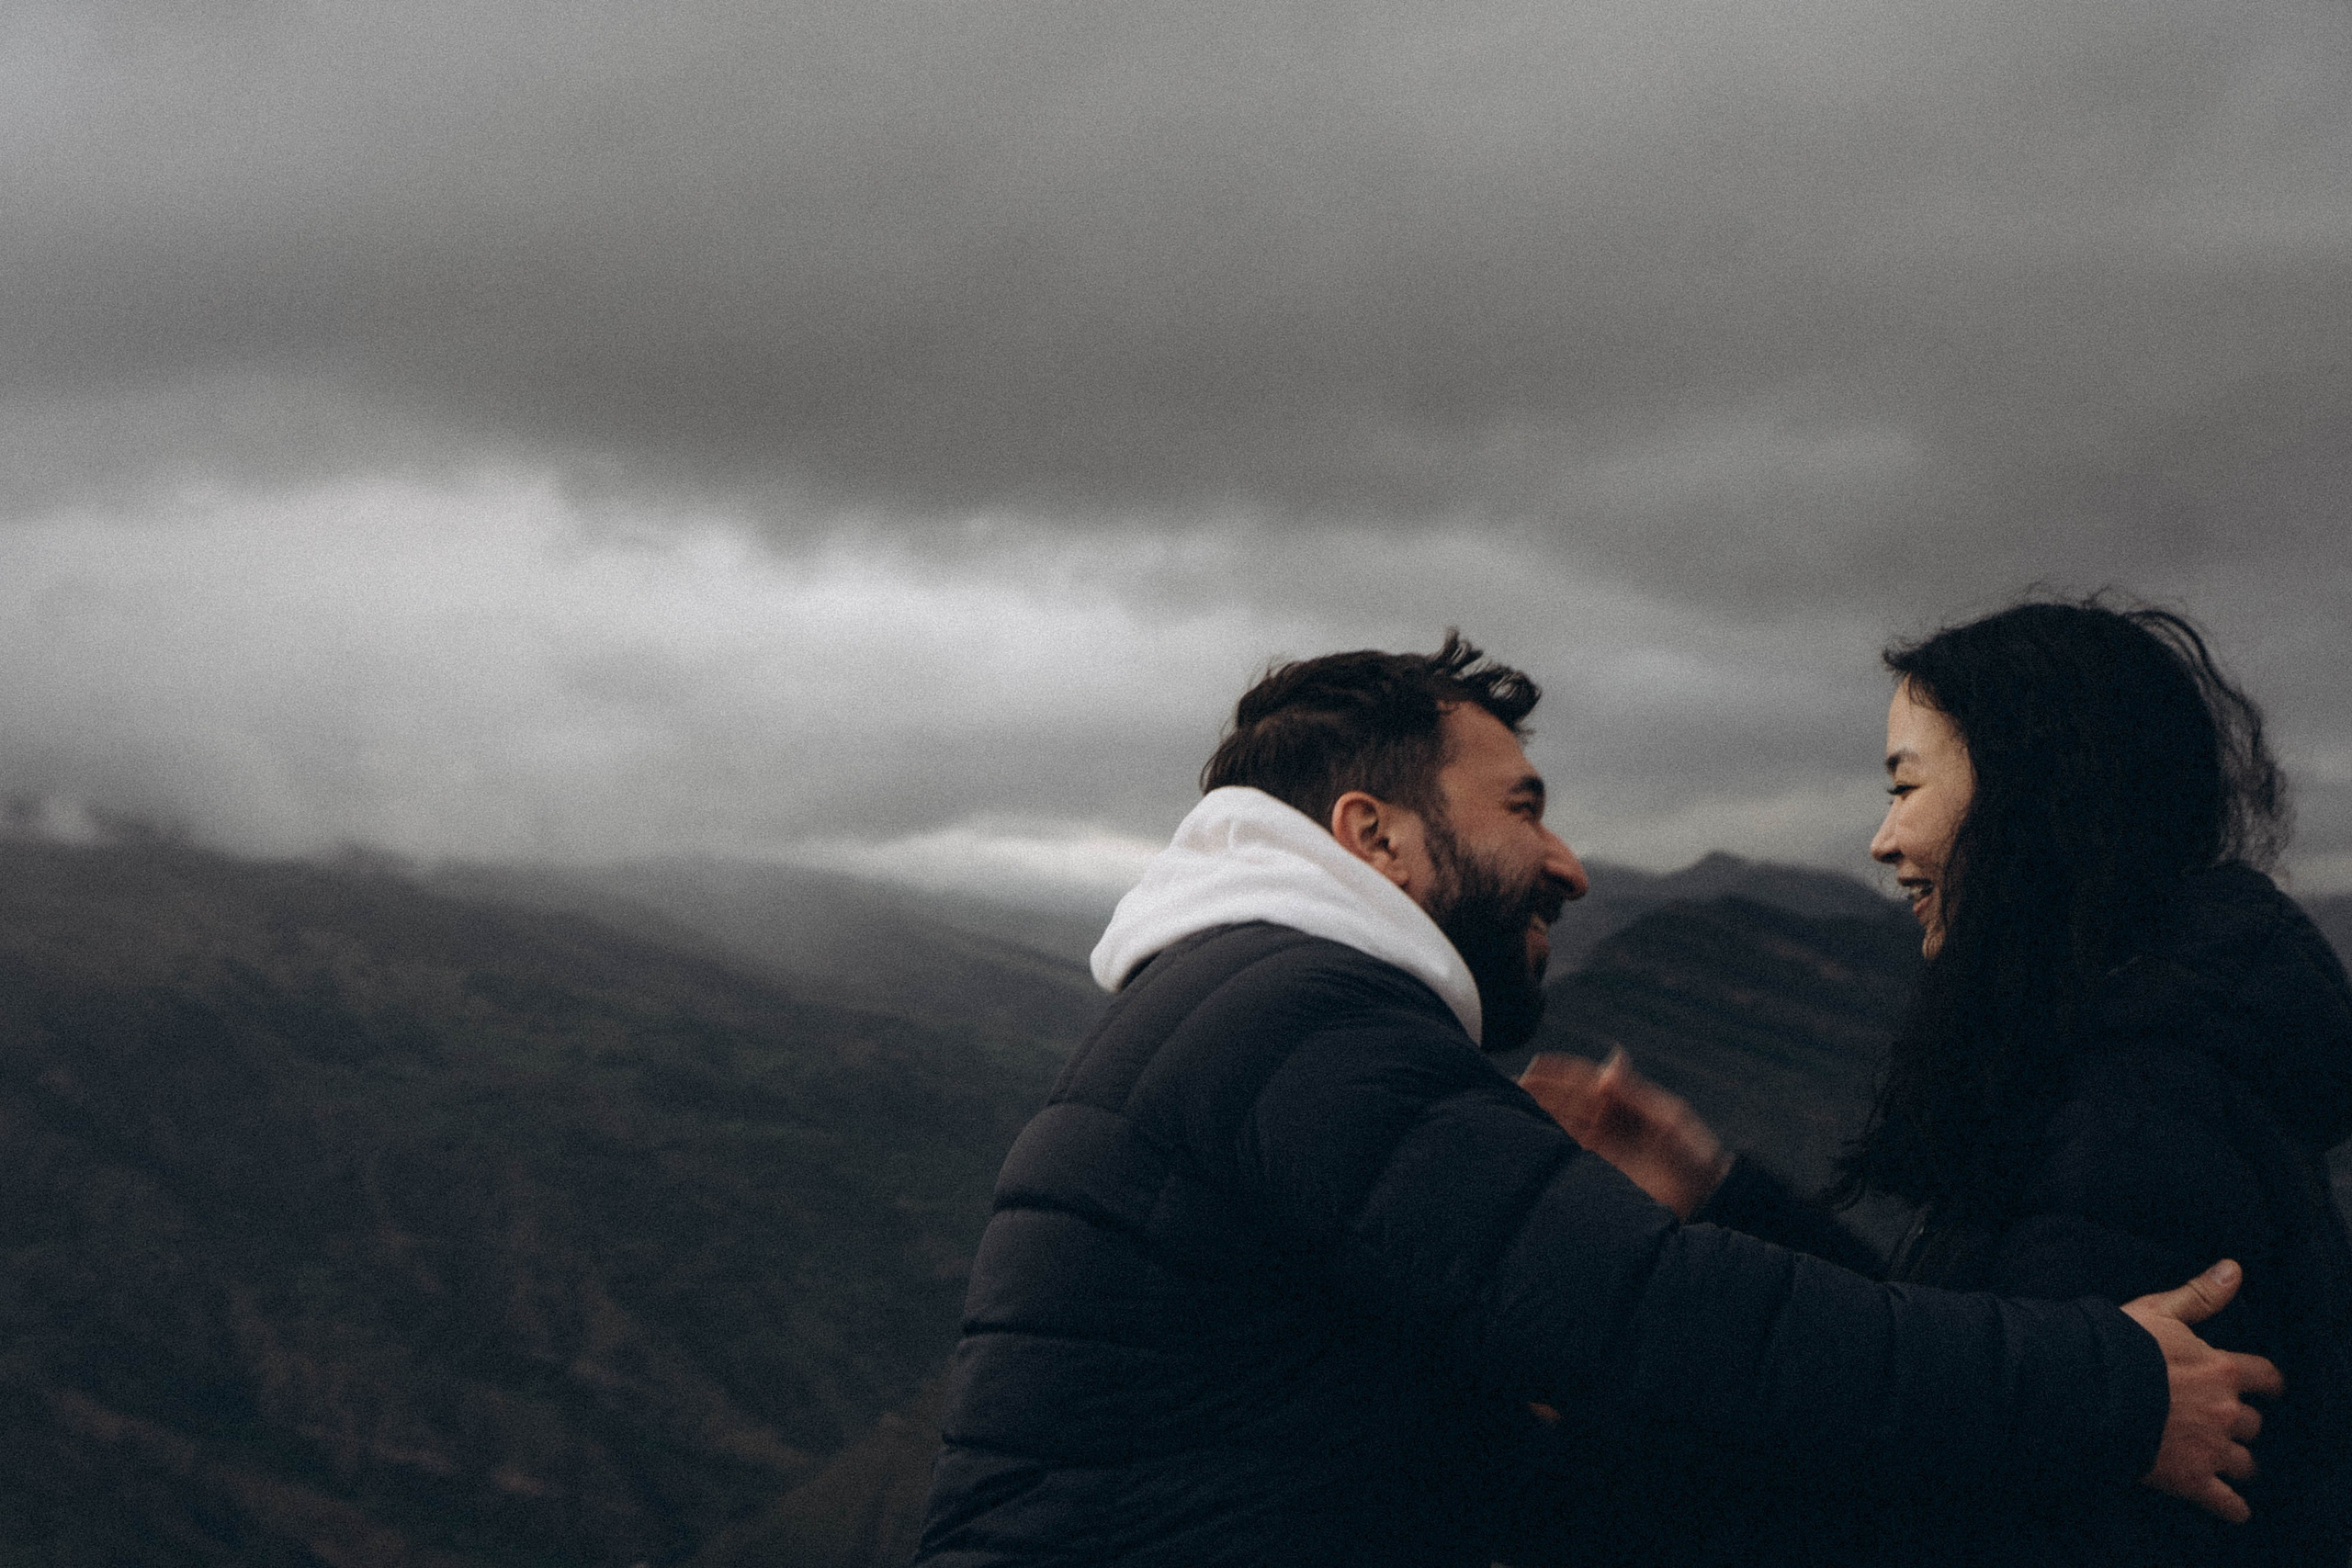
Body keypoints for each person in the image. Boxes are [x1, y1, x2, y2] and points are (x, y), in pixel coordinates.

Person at [915, 632, 2282, 1568]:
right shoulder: (1301, 1021)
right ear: (1370, 835)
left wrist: (1728, 1198)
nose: (1568, 862)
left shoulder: (1249, 1004)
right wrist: (2100, 1383)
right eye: (1524, 805)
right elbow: (1646, 1319)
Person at [1527, 599, 2352, 1564]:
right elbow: (1987, 1363)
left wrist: (1585, 1441)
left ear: (2031, 796)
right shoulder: (2126, 1054)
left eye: (1905, 786)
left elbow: (1993, 1490)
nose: (1881, 841)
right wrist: (1722, 1194)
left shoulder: (2137, 1113)